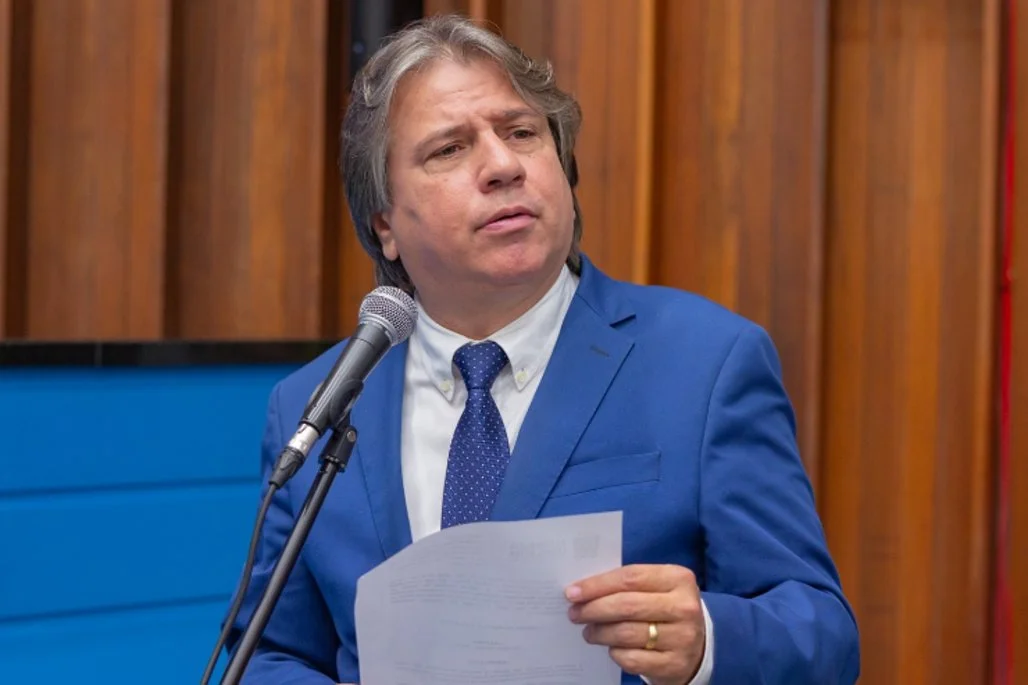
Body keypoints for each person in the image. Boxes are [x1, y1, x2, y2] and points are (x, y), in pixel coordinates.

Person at [226, 13, 859, 685]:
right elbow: (271, 654)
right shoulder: (313, 405)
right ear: (385, 223)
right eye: (449, 149)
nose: (503, 166)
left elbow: (823, 636)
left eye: (522, 132)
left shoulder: (706, 364)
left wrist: (706, 639)